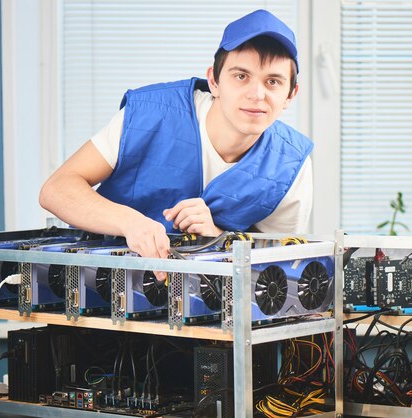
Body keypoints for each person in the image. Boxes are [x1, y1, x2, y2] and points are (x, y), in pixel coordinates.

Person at [39, 9, 313, 279]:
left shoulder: (291, 166)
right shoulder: (149, 114)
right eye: (241, 76)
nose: (257, 94)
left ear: (290, 95)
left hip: (210, 314)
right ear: (214, 81)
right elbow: (56, 190)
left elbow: (281, 273)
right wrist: (129, 222)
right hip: (102, 292)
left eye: (273, 82)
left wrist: (217, 240)